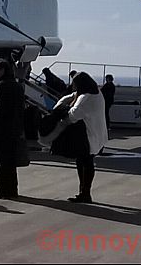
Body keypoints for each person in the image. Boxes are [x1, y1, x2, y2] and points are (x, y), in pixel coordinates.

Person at [55, 72, 108, 204]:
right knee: (85, 162)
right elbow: (73, 96)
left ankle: (85, 193)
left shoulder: (85, 98)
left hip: (88, 135)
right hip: (96, 134)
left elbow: (73, 115)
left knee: (85, 163)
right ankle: (84, 192)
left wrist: (59, 108)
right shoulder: (96, 93)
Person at [0, 59, 25, 199]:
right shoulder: (17, 86)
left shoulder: (1, 87)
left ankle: (4, 189)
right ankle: (12, 189)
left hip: (3, 129)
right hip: (15, 128)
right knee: (11, 162)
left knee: (2, 161)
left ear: (2, 70)